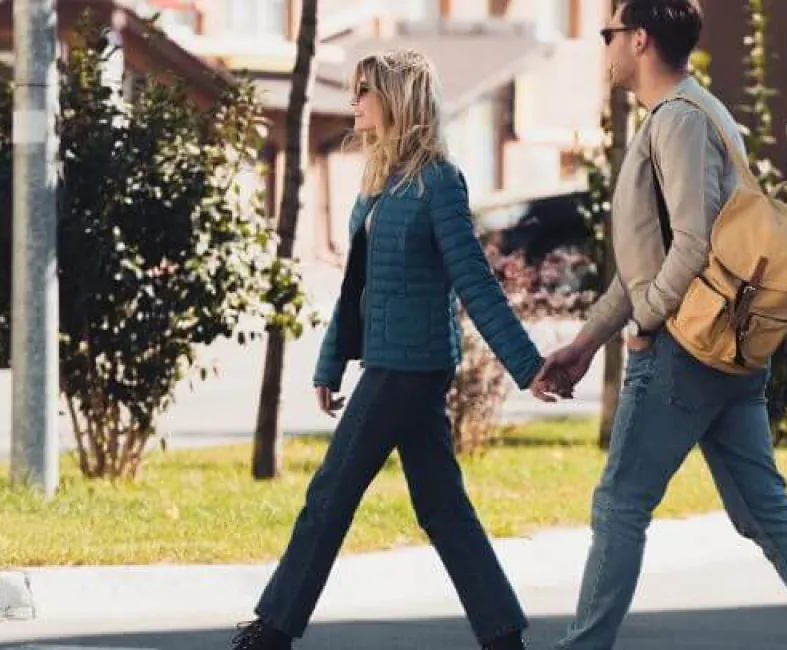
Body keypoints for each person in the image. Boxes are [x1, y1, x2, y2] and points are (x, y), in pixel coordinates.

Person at [535, 2, 787, 649]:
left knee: (619, 505)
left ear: (638, 40)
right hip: (723, 349)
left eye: (607, 34)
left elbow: (690, 245)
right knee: (763, 512)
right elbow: (646, 262)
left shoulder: (679, 121)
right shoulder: (701, 113)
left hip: (683, 352)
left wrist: (643, 324)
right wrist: (588, 342)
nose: (602, 47)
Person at [229, 49, 560, 650]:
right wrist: (330, 364)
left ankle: (273, 631)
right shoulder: (378, 186)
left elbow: (475, 281)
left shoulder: (438, 182)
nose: (354, 102)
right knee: (441, 506)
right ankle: (502, 634)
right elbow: (356, 288)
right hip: (389, 363)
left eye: (364, 91)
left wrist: (529, 366)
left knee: (330, 490)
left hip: (409, 369)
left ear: (396, 100)